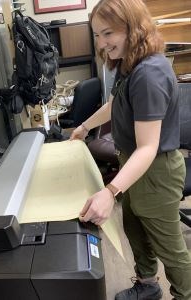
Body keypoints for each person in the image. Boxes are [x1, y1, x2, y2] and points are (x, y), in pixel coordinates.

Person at [70, 0, 191, 299]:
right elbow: (115, 105)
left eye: (108, 33)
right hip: (133, 164)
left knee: (170, 248)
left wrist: (109, 192)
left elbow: (148, 148)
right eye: (97, 35)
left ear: (133, 28)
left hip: (155, 170)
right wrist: (84, 128)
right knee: (136, 231)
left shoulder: (149, 74)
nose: (101, 43)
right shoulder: (131, 62)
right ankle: (148, 286)